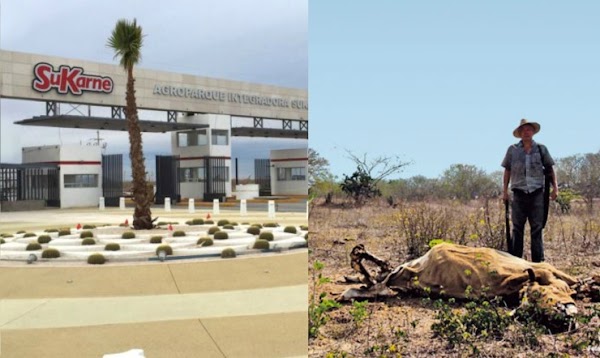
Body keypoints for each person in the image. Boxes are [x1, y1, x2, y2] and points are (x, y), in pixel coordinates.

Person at [501, 118, 558, 262]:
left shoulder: (541, 149)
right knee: (517, 228)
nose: (526, 132)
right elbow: (507, 170)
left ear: (533, 132)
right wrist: (505, 191)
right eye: (523, 130)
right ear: (519, 133)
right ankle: (515, 262)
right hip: (518, 193)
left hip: (537, 192)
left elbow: (550, 169)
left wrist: (555, 188)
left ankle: (538, 262)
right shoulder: (512, 150)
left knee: (537, 228)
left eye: (529, 129)